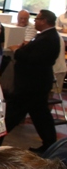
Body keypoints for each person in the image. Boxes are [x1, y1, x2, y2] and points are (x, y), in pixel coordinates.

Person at [4, 9, 61, 153]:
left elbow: (33, 59)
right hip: (35, 84)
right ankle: (49, 144)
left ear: (44, 21)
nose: (34, 21)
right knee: (41, 116)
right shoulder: (45, 36)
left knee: (13, 114)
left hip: (31, 85)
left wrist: (17, 51)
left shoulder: (48, 38)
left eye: (37, 19)